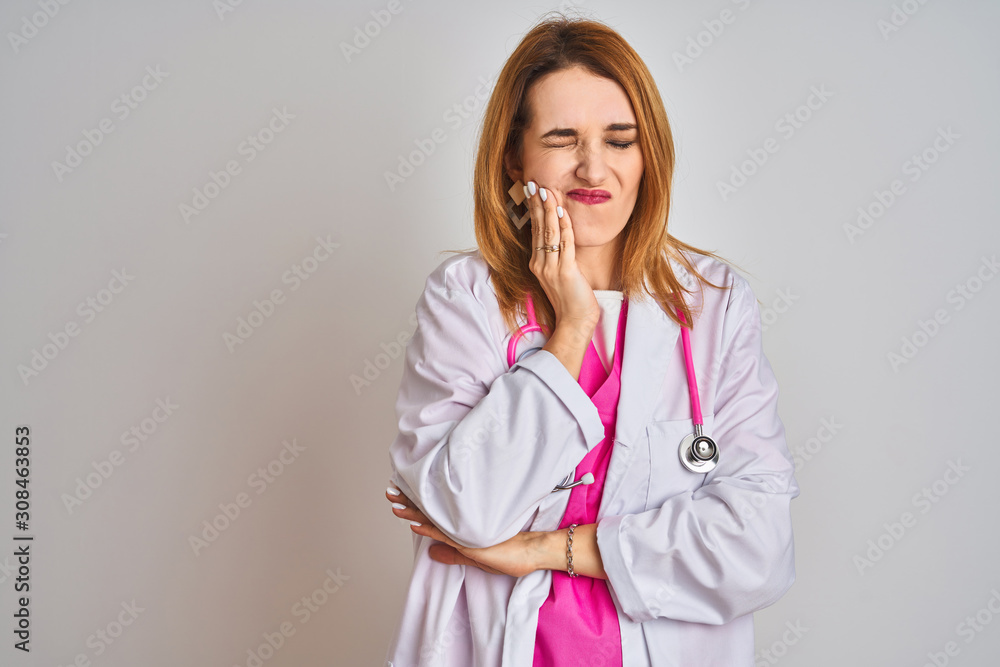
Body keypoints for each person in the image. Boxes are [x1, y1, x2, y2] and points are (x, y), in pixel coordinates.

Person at [382, 13, 799, 667]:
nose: (593, 167)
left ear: (648, 153)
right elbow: (467, 510)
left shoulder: (713, 305)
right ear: (514, 156)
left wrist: (545, 549)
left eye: (619, 139)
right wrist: (572, 328)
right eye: (562, 138)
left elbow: (758, 548)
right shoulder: (466, 300)